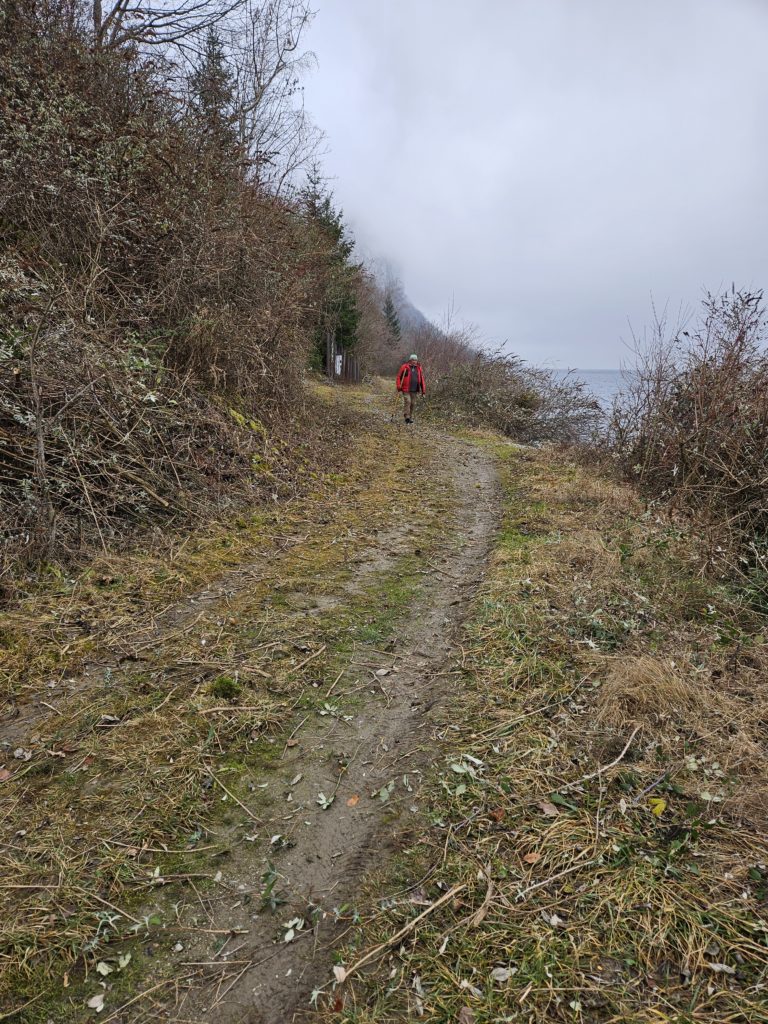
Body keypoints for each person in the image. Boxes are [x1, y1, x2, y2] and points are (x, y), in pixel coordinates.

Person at [395, 353, 426, 423]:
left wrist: (423, 391)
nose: (414, 361)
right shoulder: (404, 367)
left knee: (413, 403)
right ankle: (407, 417)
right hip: (406, 389)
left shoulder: (418, 368)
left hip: (414, 389)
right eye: (413, 360)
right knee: (408, 401)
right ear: (410, 360)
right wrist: (399, 386)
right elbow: (398, 377)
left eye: (415, 360)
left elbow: (422, 380)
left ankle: (410, 417)